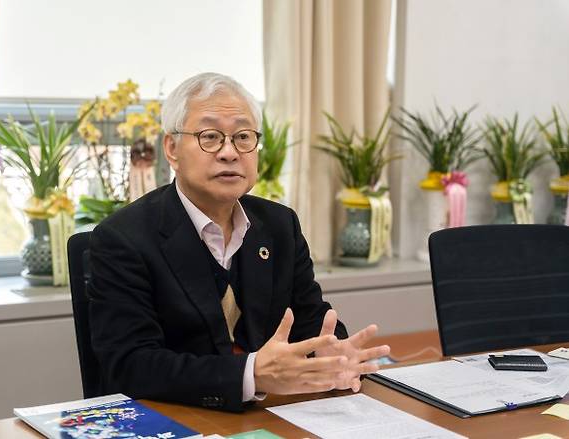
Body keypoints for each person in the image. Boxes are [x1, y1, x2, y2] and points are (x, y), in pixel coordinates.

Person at [88, 72, 390, 412]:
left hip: (267, 417)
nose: (230, 152)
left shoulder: (279, 226)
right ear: (171, 149)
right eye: (210, 136)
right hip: (178, 421)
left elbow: (310, 319)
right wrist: (251, 375)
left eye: (243, 137)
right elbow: (132, 366)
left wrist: (326, 352)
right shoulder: (122, 238)